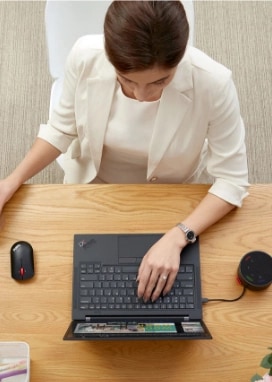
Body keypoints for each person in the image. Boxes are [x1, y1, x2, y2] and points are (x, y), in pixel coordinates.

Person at [0, 1, 249, 302]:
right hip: (92, 186)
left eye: (160, 81)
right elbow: (61, 129)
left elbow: (232, 181)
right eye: (127, 80)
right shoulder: (85, 55)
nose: (142, 95)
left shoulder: (214, 83)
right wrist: (10, 182)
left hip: (169, 196)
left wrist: (179, 236)